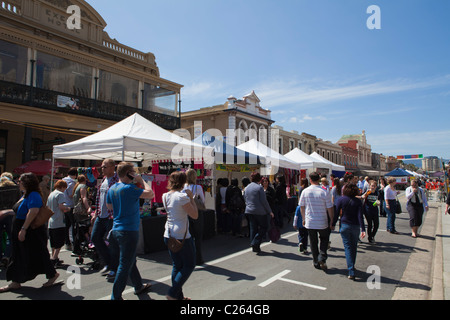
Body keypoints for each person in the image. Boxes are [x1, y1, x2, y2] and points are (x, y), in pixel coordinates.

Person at [0, 173, 60, 293]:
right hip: (21, 228)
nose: (18, 183)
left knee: (37, 253)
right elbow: (20, 210)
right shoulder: (25, 194)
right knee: (18, 255)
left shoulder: (34, 195)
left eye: (20, 181)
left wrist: (23, 229)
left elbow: (33, 211)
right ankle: (16, 282)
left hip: (31, 231)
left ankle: (52, 274)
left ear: (27, 182)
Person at [106, 162, 154, 300]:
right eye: (132, 172)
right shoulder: (129, 188)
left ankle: (138, 285)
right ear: (128, 173)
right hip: (128, 230)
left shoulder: (112, 188)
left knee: (130, 259)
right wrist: (141, 180)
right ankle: (115, 296)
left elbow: (109, 206)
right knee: (125, 265)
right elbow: (150, 194)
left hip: (116, 229)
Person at [163, 171, 198, 300]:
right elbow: (195, 215)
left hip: (169, 233)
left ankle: (178, 296)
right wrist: (191, 199)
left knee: (177, 265)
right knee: (189, 265)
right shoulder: (181, 197)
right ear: (183, 182)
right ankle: (173, 293)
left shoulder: (165, 195)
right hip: (181, 235)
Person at [299, 172, 334, 271]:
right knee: (324, 239)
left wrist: (303, 218)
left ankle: (316, 262)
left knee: (313, 243)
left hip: (310, 221)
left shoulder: (305, 191)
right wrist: (331, 219)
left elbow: (301, 206)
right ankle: (322, 257)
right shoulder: (324, 192)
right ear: (319, 179)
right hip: (322, 221)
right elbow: (330, 208)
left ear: (310, 180)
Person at [91, 159, 119, 278]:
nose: (102, 169)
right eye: (102, 167)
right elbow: (99, 198)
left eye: (104, 167)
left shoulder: (117, 180)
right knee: (95, 238)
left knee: (112, 243)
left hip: (111, 216)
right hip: (101, 216)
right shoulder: (103, 180)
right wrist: (96, 213)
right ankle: (109, 263)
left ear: (113, 167)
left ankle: (114, 267)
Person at [332, 183, 366, 280]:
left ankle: (351, 270)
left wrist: (333, 224)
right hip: (355, 226)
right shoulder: (358, 201)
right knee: (353, 246)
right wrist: (363, 229)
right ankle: (352, 266)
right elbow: (360, 216)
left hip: (345, 225)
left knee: (347, 247)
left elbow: (336, 213)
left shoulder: (341, 200)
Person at [243, 172, 274, 254]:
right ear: (259, 179)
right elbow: (264, 201)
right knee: (264, 227)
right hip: (259, 211)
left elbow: (245, 199)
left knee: (253, 228)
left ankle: (255, 246)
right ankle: (255, 242)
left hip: (249, 210)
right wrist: (270, 211)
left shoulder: (247, 188)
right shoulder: (259, 188)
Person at [184, 168, 205, 265]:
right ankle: (198, 258)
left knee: (189, 236)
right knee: (198, 237)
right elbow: (203, 201)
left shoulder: (183, 187)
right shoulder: (198, 187)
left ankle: (189, 257)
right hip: (197, 213)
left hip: (187, 212)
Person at [47, 180, 70, 267]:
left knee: (53, 241)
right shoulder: (60, 194)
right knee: (59, 242)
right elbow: (61, 206)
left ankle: (54, 257)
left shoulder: (51, 194)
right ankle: (54, 258)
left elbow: (47, 207)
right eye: (65, 188)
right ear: (63, 187)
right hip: (59, 220)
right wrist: (68, 208)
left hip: (51, 220)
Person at [72, 175, 92, 255]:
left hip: (76, 211)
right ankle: (82, 246)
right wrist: (88, 208)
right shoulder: (83, 186)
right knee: (84, 228)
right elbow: (83, 197)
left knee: (79, 229)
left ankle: (77, 248)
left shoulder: (76, 186)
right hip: (81, 211)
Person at [62, 168, 78, 250]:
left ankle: (67, 242)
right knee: (73, 225)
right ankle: (73, 243)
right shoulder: (71, 182)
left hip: (64, 204)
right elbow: (71, 195)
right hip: (71, 205)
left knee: (67, 225)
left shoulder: (63, 180)